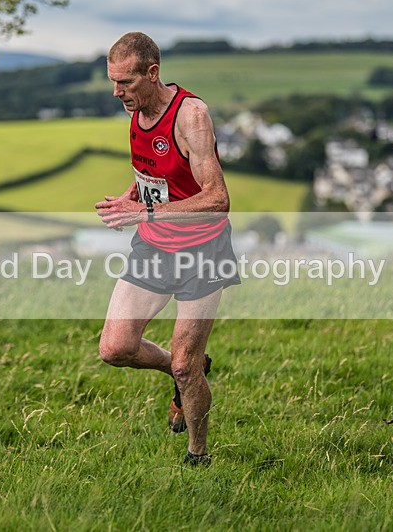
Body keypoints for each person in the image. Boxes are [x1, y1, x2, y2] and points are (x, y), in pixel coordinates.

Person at [95, 32, 240, 466]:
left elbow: (217, 199)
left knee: (184, 363)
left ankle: (198, 454)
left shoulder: (191, 116)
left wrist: (146, 214)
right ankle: (186, 373)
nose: (117, 92)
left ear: (152, 73)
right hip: (154, 248)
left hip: (203, 252)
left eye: (125, 82)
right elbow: (153, 173)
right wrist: (131, 197)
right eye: (113, 82)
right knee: (115, 348)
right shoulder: (137, 110)